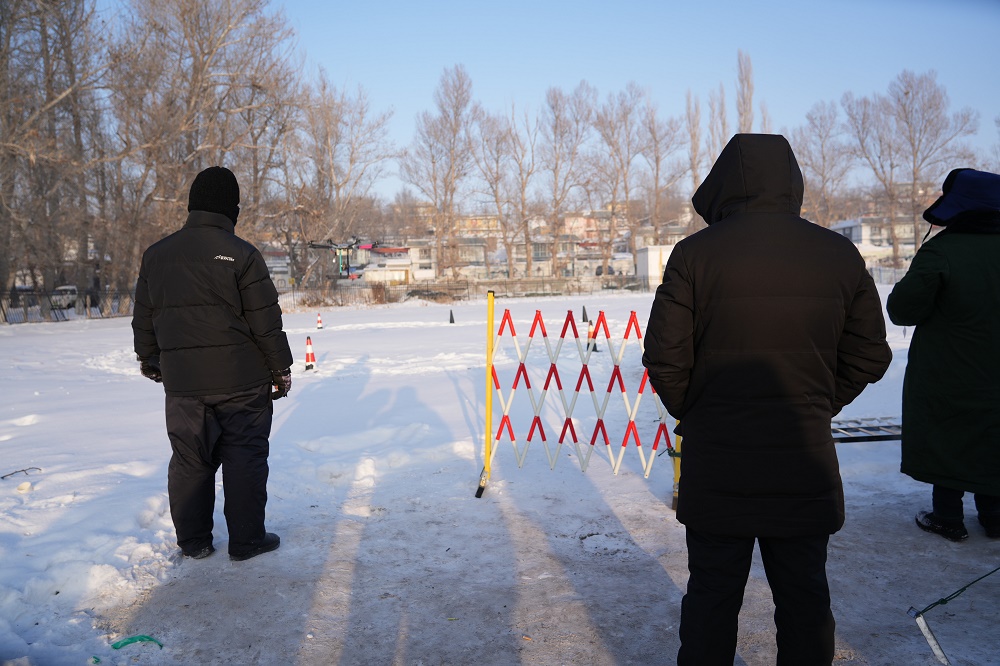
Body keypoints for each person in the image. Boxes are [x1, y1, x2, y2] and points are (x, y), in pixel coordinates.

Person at [642, 134, 891, 665]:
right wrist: (817, 404)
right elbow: (870, 354)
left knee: (711, 596)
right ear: (791, 182)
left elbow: (665, 359)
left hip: (719, 462)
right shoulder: (838, 254)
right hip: (803, 459)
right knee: (805, 598)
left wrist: (700, 411)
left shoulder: (694, 255)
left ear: (722, 184)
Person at [132, 166, 293, 562]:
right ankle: (247, 540)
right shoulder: (242, 254)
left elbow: (145, 318)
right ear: (230, 209)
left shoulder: (156, 255)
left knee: (190, 461)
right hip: (242, 382)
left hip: (184, 385)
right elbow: (266, 321)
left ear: (193, 205)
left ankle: (194, 542)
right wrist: (280, 369)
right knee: (245, 456)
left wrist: (151, 360)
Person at [886, 168, 1000, 542]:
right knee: (993, 434)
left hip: (948, 371)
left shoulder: (942, 250)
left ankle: (947, 516)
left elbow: (903, 310)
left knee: (948, 434)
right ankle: (995, 516)